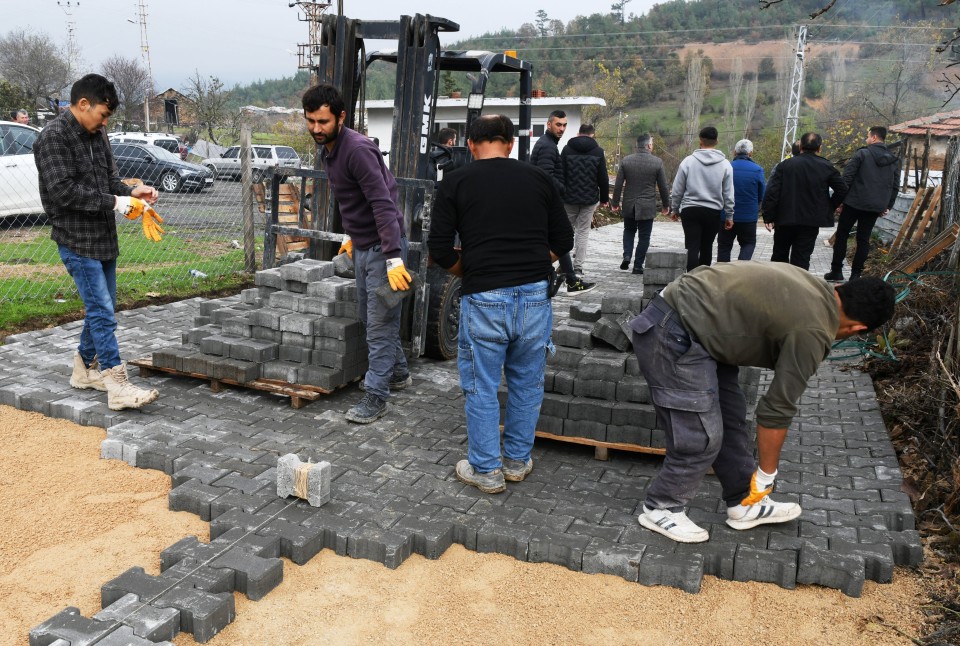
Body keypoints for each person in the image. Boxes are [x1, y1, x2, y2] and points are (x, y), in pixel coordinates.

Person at [630, 262, 896, 543]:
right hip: (673, 329)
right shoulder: (814, 331)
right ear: (857, 328)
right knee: (701, 433)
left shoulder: (818, 288)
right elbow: (776, 410)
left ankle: (745, 501)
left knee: (730, 418)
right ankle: (661, 507)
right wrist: (767, 474)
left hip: (701, 327)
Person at [428, 114, 574, 494]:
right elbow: (564, 240)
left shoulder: (455, 181)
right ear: (510, 143)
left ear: (470, 145)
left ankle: (486, 469)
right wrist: (533, 264)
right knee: (526, 383)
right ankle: (516, 462)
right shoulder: (539, 179)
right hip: (534, 298)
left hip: (484, 298)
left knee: (482, 386)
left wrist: (474, 270)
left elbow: (439, 250)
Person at [33, 73, 162, 411]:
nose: (105, 122)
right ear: (83, 104)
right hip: (76, 239)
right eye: (103, 115)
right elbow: (62, 192)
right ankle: (116, 384)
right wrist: (117, 203)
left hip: (103, 237)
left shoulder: (97, 133)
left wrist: (133, 191)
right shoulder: (53, 138)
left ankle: (83, 370)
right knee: (102, 310)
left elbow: (108, 181)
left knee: (103, 307)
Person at [302, 83, 412, 424]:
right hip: (365, 246)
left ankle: (377, 396)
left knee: (379, 326)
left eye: (323, 121)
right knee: (369, 316)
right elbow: (352, 200)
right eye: (311, 121)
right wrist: (351, 237)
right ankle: (399, 373)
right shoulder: (328, 150)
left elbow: (383, 204)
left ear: (341, 117)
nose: (316, 129)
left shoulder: (358, 150)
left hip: (384, 248)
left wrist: (393, 258)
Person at [761, 132, 847, 270]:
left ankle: (778, 282)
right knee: (802, 258)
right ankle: (799, 283)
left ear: (800, 146)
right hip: (811, 221)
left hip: (785, 218)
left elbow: (773, 192)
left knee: (779, 255)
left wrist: (768, 216)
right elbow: (842, 189)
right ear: (819, 148)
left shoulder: (785, 165)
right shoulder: (826, 166)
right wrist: (829, 207)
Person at [825, 126, 900, 282]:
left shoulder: (862, 154)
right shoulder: (894, 160)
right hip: (874, 207)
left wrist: (839, 201)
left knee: (842, 235)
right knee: (863, 239)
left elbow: (847, 178)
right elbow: (895, 186)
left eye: (867, 136)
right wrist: (887, 206)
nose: (866, 139)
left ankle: (837, 271)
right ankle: (856, 275)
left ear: (874, 137)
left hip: (853, 202)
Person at [530, 110, 592, 293]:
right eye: (558, 124)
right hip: (545, 202)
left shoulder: (548, 143)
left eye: (564, 125)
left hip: (543, 201)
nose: (562, 129)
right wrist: (563, 189)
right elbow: (546, 176)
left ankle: (567, 279)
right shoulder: (548, 146)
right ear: (549, 124)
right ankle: (568, 279)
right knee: (561, 238)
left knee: (556, 239)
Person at [670, 126, 734, 271]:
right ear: (717, 141)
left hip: (690, 210)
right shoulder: (725, 165)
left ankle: (691, 278)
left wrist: (675, 209)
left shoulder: (688, 161)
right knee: (707, 246)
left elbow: (678, 188)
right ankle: (703, 278)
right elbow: (728, 193)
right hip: (713, 211)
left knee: (691, 246)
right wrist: (729, 215)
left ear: (700, 141)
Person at [612, 133, 670, 274]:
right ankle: (638, 265)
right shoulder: (657, 162)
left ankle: (627, 255)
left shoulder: (626, 161)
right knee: (644, 236)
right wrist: (666, 204)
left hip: (629, 204)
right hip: (647, 205)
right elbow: (663, 186)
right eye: (652, 144)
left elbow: (618, 184)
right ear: (648, 145)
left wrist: (615, 202)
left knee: (629, 230)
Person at [559, 123, 609, 279]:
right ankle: (578, 267)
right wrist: (604, 199)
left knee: (565, 232)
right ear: (592, 135)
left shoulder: (567, 150)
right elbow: (603, 178)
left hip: (568, 199)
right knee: (582, 232)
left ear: (578, 133)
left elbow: (561, 174)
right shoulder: (598, 151)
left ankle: (564, 265)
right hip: (589, 199)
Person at [717, 139, 765, 262]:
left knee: (724, 246)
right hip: (748, 217)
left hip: (726, 215)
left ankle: (723, 272)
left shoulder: (726, 167)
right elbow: (761, 194)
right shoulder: (758, 170)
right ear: (750, 153)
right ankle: (740, 268)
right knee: (748, 243)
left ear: (734, 152)